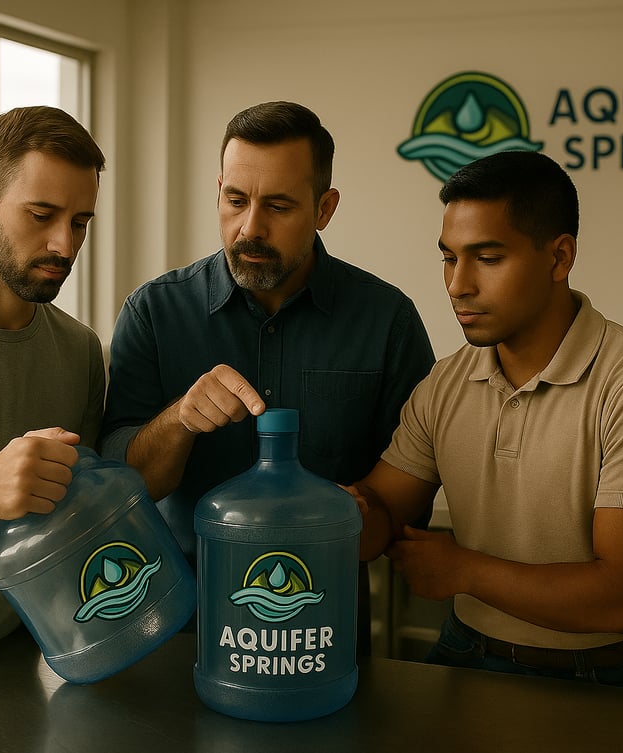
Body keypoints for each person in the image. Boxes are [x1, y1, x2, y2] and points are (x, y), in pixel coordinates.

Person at [349, 150, 623, 690]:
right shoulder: (444, 384)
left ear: (559, 258)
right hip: (468, 646)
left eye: (487, 258)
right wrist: (334, 515)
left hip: (608, 673)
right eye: (449, 258)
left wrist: (464, 570)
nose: (457, 285)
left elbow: (621, 599)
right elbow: (382, 510)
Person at [99, 101, 435, 651]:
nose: (250, 228)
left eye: (278, 206)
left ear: (324, 208)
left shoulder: (386, 320)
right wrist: (180, 421)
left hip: (321, 632)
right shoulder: (154, 312)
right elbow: (119, 486)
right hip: (178, 628)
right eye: (235, 200)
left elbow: (413, 493)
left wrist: (363, 512)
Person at [0, 106, 107, 660]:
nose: (64, 246)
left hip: (23, 663)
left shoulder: (79, 351)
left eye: (80, 222)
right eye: (41, 214)